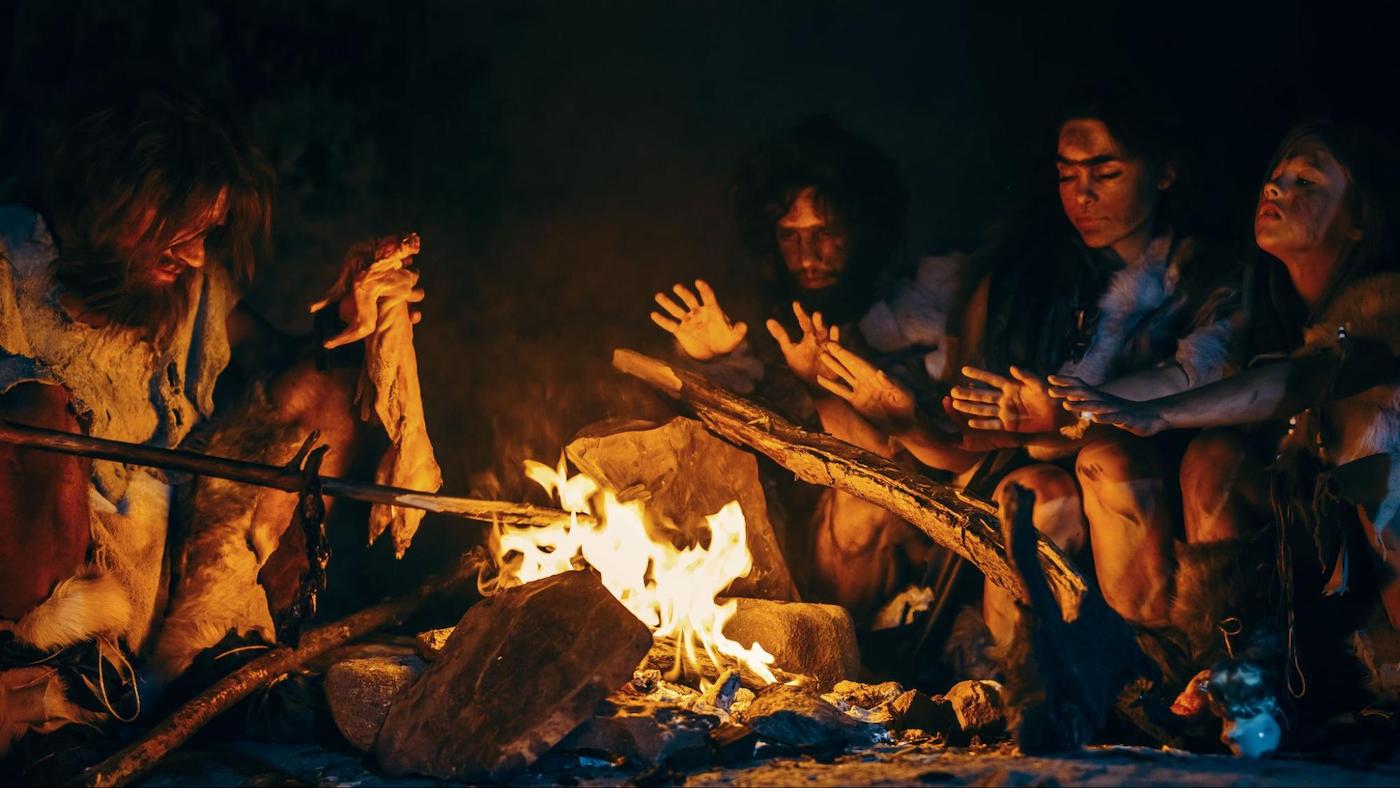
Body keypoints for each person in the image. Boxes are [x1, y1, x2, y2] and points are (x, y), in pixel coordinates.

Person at [0, 90, 431, 761]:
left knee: (325, 390)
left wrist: (343, 324)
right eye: (181, 232)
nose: (197, 256)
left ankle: (213, 652)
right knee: (34, 414)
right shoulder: (10, 264)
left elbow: (282, 377)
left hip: (161, 592)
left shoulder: (190, 293)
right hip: (39, 597)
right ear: (118, 199)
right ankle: (42, 694)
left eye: (206, 233)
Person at [815, 99, 1245, 662]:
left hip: (1157, 475)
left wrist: (1071, 414)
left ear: (1163, 171)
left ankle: (1159, 663)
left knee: (1112, 463)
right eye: (1067, 175)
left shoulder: (1203, 274)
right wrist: (909, 424)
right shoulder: (1022, 284)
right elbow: (972, 445)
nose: (1083, 196)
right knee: (1037, 494)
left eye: (1106, 173)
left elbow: (1201, 376)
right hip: (1041, 482)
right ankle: (1016, 673)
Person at [1053, 120, 1400, 694]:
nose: (1275, 190)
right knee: (1193, 459)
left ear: (1360, 220)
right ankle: (1220, 666)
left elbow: (1304, 380)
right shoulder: (1267, 312)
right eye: (1275, 178)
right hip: (1317, 550)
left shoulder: (1384, 302)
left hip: (1371, 556)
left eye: (1306, 182)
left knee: (1361, 431)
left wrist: (1161, 412)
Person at [647, 117, 953, 624]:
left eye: (827, 234)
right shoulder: (764, 324)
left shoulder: (911, 321)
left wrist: (827, 386)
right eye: (790, 236)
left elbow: (904, 468)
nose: (807, 255)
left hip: (880, 564)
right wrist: (712, 364)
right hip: (776, 552)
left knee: (864, 504)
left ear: (865, 231)